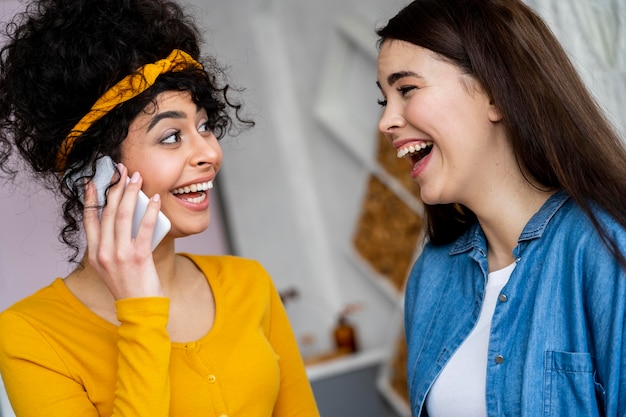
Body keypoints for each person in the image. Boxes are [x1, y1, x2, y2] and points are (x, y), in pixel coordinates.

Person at [0, 1, 320, 416]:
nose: (208, 152)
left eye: (203, 127)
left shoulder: (250, 284)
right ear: (94, 172)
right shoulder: (30, 335)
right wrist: (140, 311)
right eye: (171, 136)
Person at [375, 0, 626, 416]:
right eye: (383, 100)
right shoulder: (431, 276)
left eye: (406, 89)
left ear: (496, 93)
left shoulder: (606, 249)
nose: (386, 122)